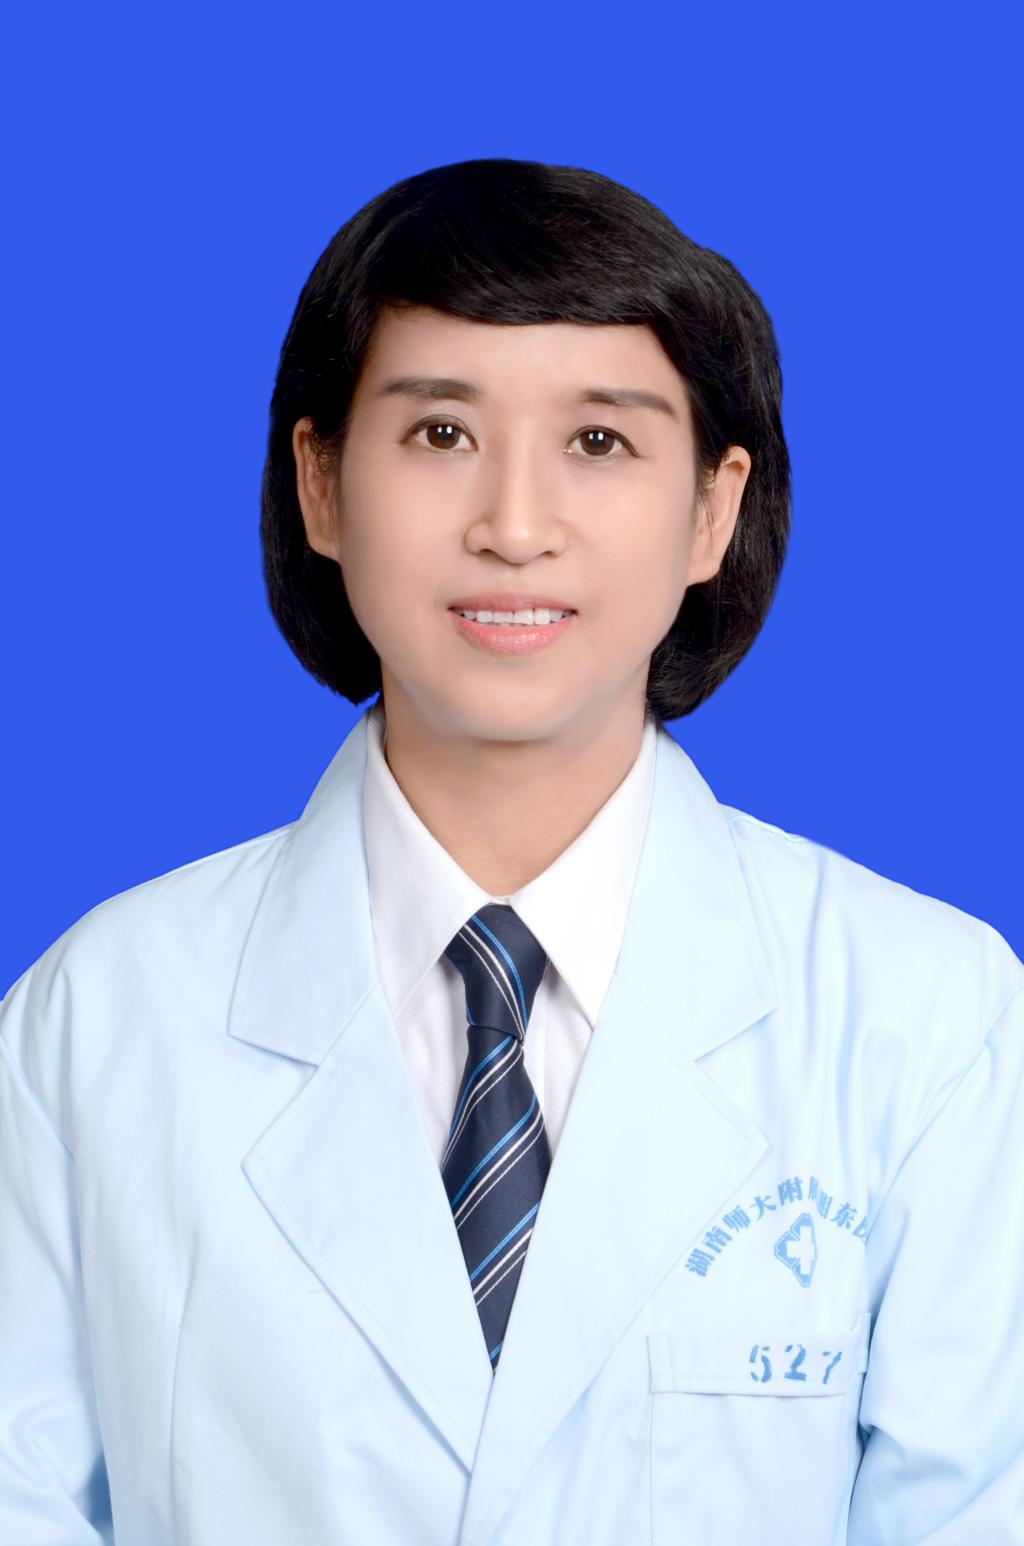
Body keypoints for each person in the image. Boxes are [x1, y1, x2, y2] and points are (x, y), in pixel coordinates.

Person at [1, 156, 1022, 1545]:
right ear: (320, 483)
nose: (514, 527)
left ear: (712, 510)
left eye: (598, 442)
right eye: (441, 434)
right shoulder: (97, 1018)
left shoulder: (929, 1020)